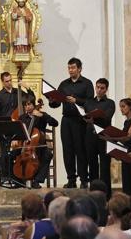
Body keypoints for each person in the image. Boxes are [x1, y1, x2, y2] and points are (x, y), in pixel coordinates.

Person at [48, 57, 94, 188]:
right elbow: (56, 103)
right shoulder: (64, 84)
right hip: (67, 119)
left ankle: (84, 180)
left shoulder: (87, 83)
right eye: (69, 68)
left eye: (73, 68)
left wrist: (76, 101)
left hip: (80, 120)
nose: (70, 70)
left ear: (79, 69)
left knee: (80, 150)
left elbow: (90, 102)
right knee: (67, 150)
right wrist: (52, 100)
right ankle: (71, 180)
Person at [11, 94, 58, 188]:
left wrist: (41, 115)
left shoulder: (41, 115)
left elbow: (55, 123)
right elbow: (17, 131)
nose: (27, 107)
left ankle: (37, 180)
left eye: (29, 105)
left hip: (39, 146)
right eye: (25, 105)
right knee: (7, 156)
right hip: (24, 146)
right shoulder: (22, 118)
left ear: (33, 104)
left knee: (48, 155)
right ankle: (17, 181)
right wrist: (14, 138)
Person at [84, 78, 116, 196]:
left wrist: (95, 117)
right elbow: (85, 115)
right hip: (90, 136)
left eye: (102, 88)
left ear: (106, 89)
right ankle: (93, 193)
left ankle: (106, 195)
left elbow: (107, 117)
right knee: (92, 165)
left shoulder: (110, 103)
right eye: (97, 87)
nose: (99, 90)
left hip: (104, 136)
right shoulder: (88, 102)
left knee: (104, 166)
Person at [106, 98, 131, 194]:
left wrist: (113, 138)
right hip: (126, 152)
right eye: (120, 107)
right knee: (126, 180)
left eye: (123, 106)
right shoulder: (126, 122)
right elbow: (124, 140)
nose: (121, 109)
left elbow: (128, 137)